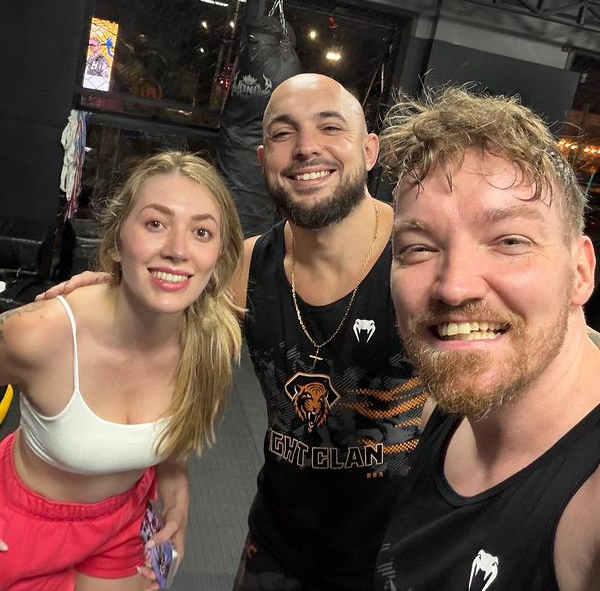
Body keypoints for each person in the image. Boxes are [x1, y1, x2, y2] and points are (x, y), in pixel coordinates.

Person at [40, 74, 425, 591]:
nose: (307, 147)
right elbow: (164, 351)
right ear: (264, 158)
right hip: (277, 548)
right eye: (284, 134)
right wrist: (113, 292)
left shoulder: (423, 262)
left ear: (369, 149)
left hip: (404, 560)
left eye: (329, 127)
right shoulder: (244, 268)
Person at [374, 87, 600, 591]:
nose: (454, 286)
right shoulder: (448, 412)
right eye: (418, 247)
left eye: (510, 242)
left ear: (580, 272)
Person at [0, 151, 243, 591]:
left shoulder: (210, 342)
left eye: (201, 232)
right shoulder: (40, 334)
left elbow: (173, 447)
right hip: (22, 527)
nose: (176, 249)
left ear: (218, 257)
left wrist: (178, 505)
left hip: (123, 521)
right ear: (116, 241)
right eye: (155, 223)